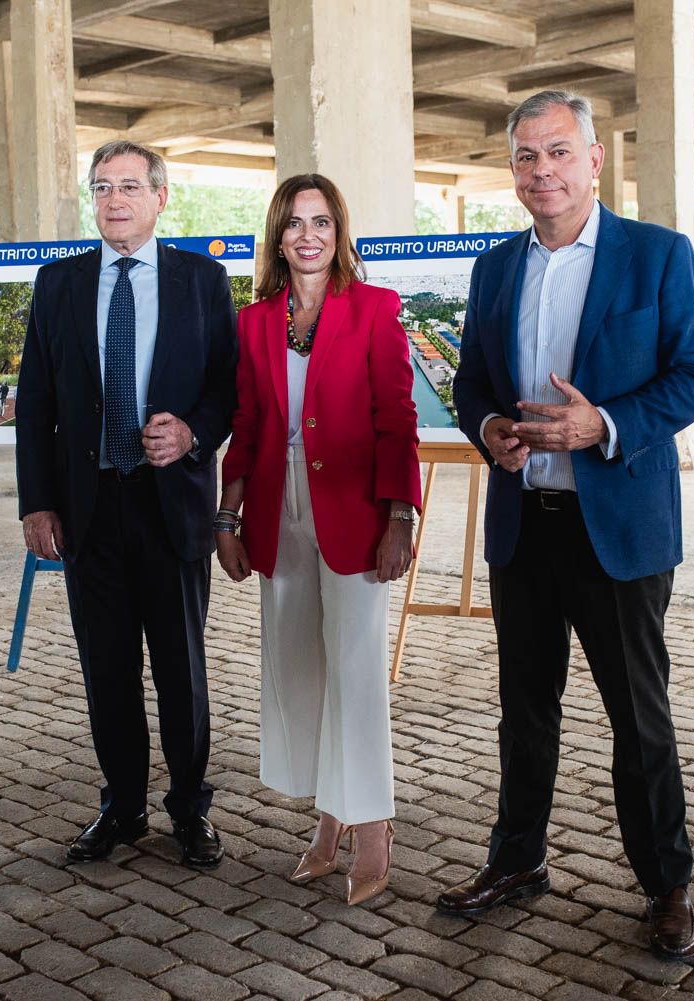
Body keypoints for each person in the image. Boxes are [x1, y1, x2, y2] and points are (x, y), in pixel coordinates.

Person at [438, 90, 694, 961]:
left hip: (619, 529)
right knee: (524, 712)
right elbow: (473, 385)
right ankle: (517, 860)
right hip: (527, 523)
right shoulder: (492, 270)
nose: (542, 171)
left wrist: (605, 424)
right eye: (526, 157)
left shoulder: (657, 257)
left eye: (558, 152)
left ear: (596, 159)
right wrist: (489, 430)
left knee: (639, 719)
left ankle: (667, 884)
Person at [16, 140, 238, 870]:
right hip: (87, 508)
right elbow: (36, 404)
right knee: (106, 669)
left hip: (170, 504)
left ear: (161, 197)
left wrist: (195, 431)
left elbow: (227, 387)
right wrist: (37, 504)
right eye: (104, 186)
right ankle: (121, 807)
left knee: (181, 668)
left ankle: (189, 811)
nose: (116, 199)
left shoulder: (202, 281)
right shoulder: (58, 284)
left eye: (132, 186)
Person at [215, 174, 421, 906]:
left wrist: (402, 517)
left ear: (340, 233)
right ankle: (328, 820)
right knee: (301, 667)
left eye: (323, 222)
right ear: (278, 235)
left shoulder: (374, 309)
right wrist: (227, 518)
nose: (309, 235)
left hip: (356, 510)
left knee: (358, 669)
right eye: (296, 222)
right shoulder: (254, 322)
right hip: (279, 509)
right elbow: (248, 425)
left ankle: (372, 829)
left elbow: (398, 418)